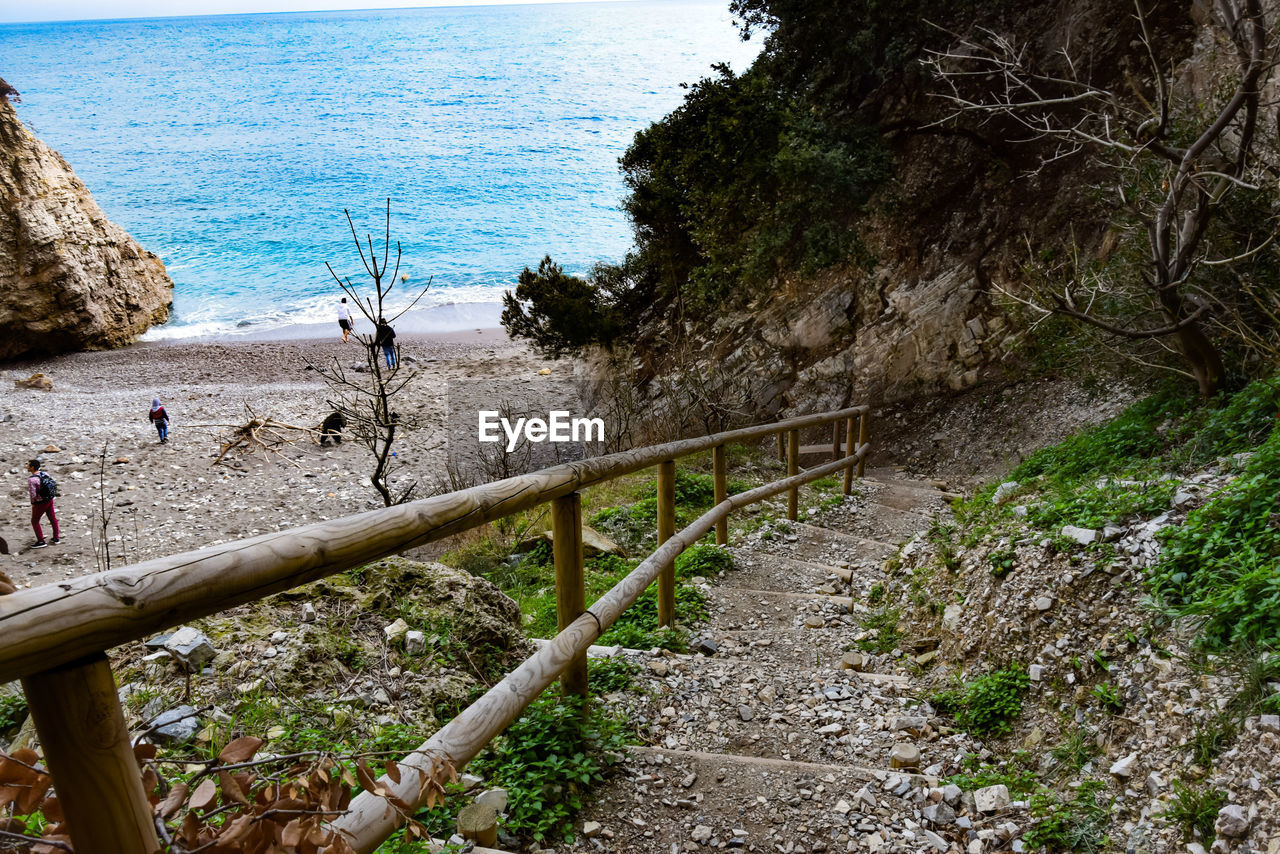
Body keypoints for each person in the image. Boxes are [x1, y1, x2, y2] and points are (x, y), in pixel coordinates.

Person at [27, 459, 59, 548]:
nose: (27, 466)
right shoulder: (45, 474)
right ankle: (56, 537)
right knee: (52, 518)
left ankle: (41, 541)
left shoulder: (32, 480)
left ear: (32, 467)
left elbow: (33, 494)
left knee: (35, 521)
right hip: (49, 499)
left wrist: (33, 503)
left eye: (28, 465)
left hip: (40, 502)